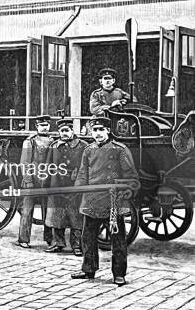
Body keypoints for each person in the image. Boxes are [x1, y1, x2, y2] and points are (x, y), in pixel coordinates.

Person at [71, 117, 139, 286]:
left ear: (108, 130)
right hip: (91, 200)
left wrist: (122, 190)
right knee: (88, 238)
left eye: (101, 130)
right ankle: (88, 269)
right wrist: (78, 189)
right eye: (95, 130)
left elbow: (131, 176)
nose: (98, 134)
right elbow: (82, 173)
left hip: (113, 202)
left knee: (118, 241)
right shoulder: (88, 150)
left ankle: (119, 274)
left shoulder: (119, 150)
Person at [44, 118, 87, 256]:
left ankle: (77, 246)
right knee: (57, 216)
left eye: (66, 130)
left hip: (75, 185)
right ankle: (59, 243)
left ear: (72, 131)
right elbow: (48, 166)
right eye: (61, 131)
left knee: (76, 218)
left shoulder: (83, 145)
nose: (64, 133)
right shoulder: (54, 146)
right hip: (56, 185)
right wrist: (46, 184)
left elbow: (86, 165)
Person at [16, 114, 53, 248]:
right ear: (36, 126)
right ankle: (23, 239)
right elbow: (24, 163)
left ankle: (50, 240)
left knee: (48, 211)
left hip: (46, 181)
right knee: (27, 211)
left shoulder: (52, 140)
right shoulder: (30, 141)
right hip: (31, 181)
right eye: (42, 125)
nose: (45, 128)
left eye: (47, 125)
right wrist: (28, 180)